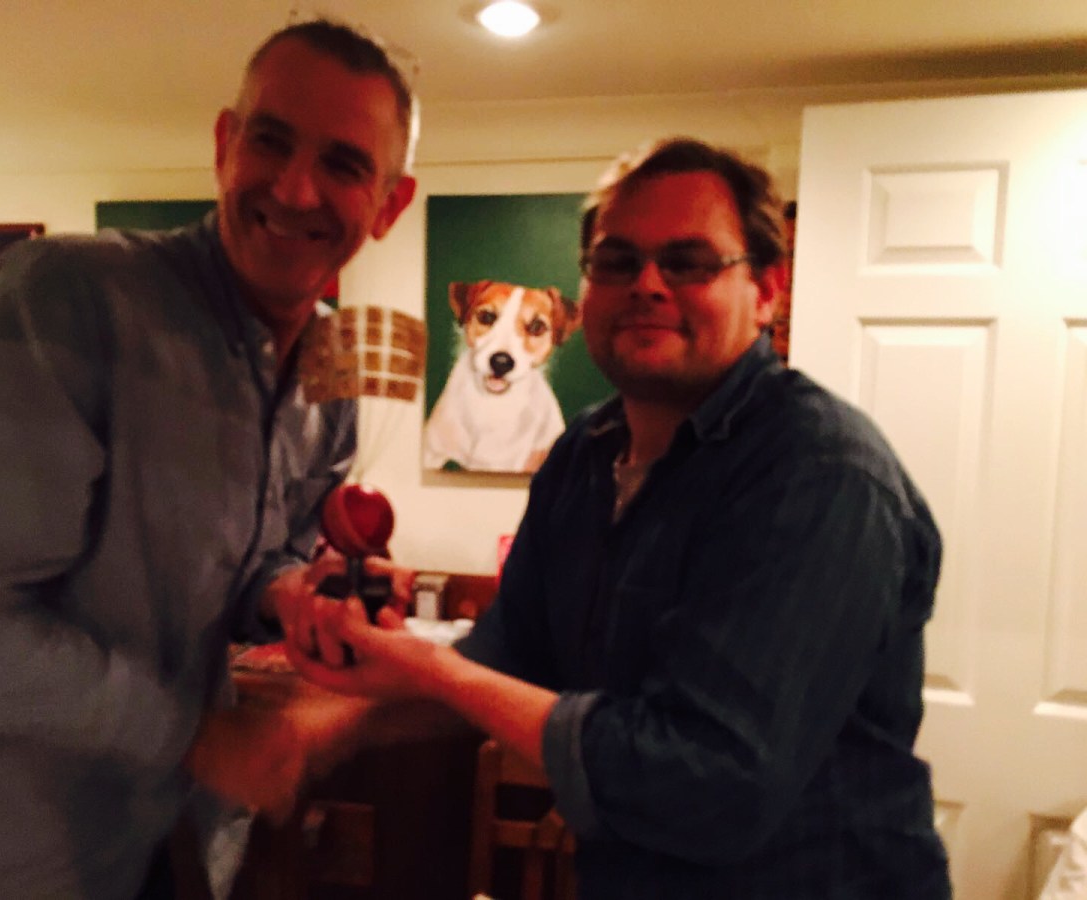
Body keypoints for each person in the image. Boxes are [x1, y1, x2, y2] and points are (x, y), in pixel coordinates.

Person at [286, 137, 953, 898]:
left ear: (767, 290)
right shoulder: (583, 453)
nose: (646, 285)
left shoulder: (819, 472)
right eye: (616, 261)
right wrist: (336, 714)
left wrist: (433, 671)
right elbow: (506, 659)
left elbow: (708, 784)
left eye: (689, 262)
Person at [0, 17, 417, 900]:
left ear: (390, 205)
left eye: (343, 164)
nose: (295, 189)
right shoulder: (59, 298)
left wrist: (294, 592)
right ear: (223, 145)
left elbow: (253, 567)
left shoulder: (333, 371)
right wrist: (197, 738)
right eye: (271, 141)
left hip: (170, 853)